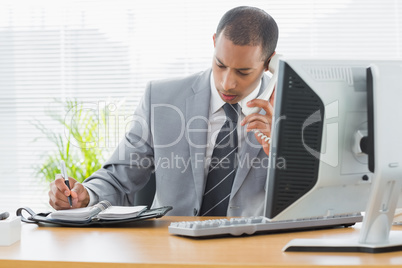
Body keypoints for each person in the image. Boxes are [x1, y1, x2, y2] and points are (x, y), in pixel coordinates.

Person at [49, 6, 279, 216]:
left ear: (269, 63)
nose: (227, 83)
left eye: (243, 72)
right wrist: (85, 195)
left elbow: (305, 201)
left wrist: (280, 148)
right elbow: (119, 178)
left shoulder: (285, 112)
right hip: (171, 247)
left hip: (251, 248)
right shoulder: (161, 99)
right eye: (220, 64)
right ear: (214, 42)